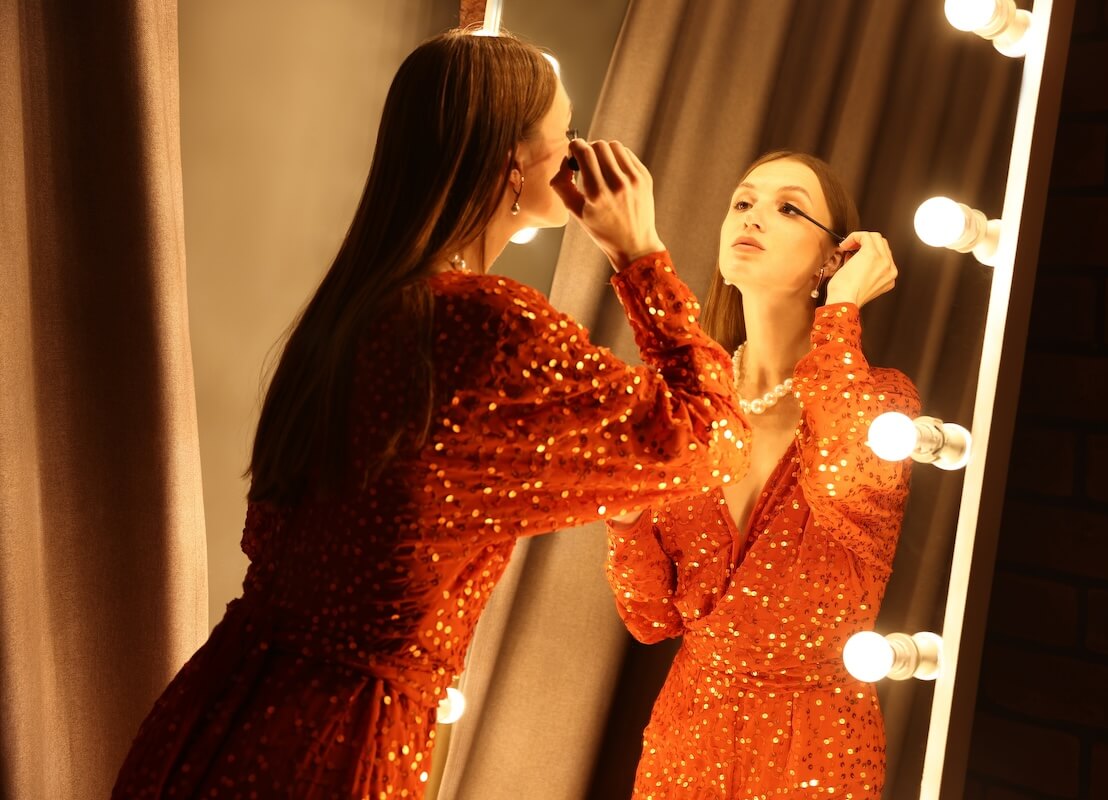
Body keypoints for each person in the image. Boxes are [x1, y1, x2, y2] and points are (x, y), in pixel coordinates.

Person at [112, 30, 751, 800]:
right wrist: (639, 255)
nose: (582, 153)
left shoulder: (353, 313)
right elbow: (709, 442)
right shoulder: (487, 326)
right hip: (337, 744)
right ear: (513, 163)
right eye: (566, 135)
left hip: (216, 713)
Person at [605, 151, 921, 799]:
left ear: (835, 258)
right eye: (743, 202)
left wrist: (841, 314)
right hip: (686, 738)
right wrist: (626, 516)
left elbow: (841, 476)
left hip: (817, 745)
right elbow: (649, 618)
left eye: (788, 208)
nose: (753, 218)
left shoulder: (883, 403)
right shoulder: (691, 399)